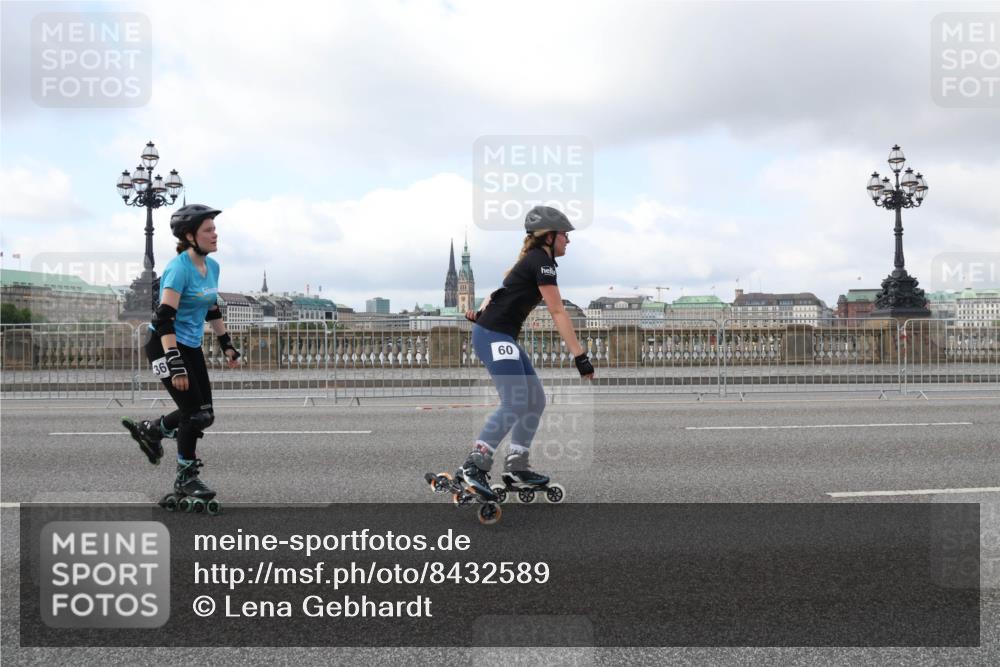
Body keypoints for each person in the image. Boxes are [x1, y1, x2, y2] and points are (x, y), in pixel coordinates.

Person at [459, 205, 595, 500]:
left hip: (498, 333)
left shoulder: (535, 261)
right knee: (516, 401)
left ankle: (517, 465)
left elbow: (499, 292)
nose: (568, 240)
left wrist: (483, 310)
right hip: (494, 335)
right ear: (549, 237)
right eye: (565, 235)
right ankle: (475, 464)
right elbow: (558, 311)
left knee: (534, 399)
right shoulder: (541, 262)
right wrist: (580, 356)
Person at [121, 204, 240, 512]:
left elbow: (211, 307)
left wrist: (226, 343)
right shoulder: (178, 268)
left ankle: (152, 430)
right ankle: (185, 478)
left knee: (206, 414)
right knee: (193, 414)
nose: (215, 234)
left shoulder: (212, 268)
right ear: (190, 236)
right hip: (164, 344)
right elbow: (163, 320)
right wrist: (174, 363)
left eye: (214, 228)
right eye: (208, 230)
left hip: (189, 345)